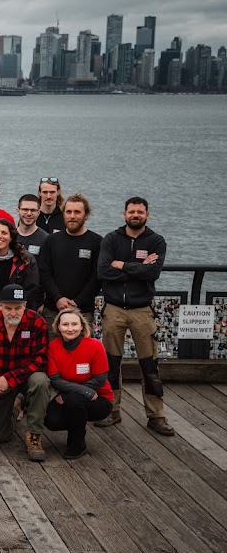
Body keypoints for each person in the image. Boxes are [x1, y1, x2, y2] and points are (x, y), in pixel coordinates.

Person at [94, 197, 173, 435]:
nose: (135, 215)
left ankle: (156, 415)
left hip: (142, 311)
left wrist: (121, 265)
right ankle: (112, 410)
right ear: (124, 214)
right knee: (111, 364)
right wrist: (138, 268)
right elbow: (103, 271)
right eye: (131, 211)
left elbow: (153, 273)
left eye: (140, 211)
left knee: (150, 365)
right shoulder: (111, 239)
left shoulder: (156, 241)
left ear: (147, 215)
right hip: (114, 309)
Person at [0, 284, 50, 462]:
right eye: (8, 308)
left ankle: (34, 435)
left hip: (25, 378)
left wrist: (9, 379)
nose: (13, 313)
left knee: (41, 381)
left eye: (18, 308)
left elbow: (40, 360)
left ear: (25, 306)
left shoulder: (37, 322)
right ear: (0, 306)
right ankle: (16, 404)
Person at [44, 308, 114, 459]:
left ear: (82, 326)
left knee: (74, 400)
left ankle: (77, 444)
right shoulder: (53, 347)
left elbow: (100, 379)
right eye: (65, 324)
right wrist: (83, 391)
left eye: (74, 324)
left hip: (99, 399)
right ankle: (76, 422)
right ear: (58, 327)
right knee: (51, 420)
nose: (70, 329)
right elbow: (55, 379)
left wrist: (74, 394)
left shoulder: (95, 345)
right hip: (73, 395)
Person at [38, 192, 102, 332]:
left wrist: (78, 302)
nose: (72, 216)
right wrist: (58, 298)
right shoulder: (51, 240)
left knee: (83, 346)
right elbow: (44, 272)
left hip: (83, 312)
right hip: (53, 311)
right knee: (53, 346)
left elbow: (97, 277)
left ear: (86, 215)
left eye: (77, 212)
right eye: (68, 212)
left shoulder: (97, 242)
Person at [0, 218, 43, 310]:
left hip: (17, 311)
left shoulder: (26, 260)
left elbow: (31, 290)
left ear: (11, 237)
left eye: (4, 233)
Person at [15, 194, 48, 260]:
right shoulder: (9, 237)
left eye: (33, 210)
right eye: (25, 210)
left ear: (38, 212)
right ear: (18, 211)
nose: (29, 213)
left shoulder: (46, 239)